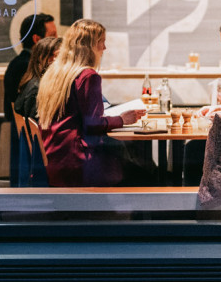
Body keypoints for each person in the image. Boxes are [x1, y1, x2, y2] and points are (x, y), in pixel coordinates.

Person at [36, 19, 144, 187]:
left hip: (56, 158)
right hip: (80, 162)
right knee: (144, 169)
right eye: (102, 42)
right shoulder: (88, 76)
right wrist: (122, 119)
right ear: (90, 46)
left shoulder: (54, 73)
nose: (104, 48)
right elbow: (93, 124)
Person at [3, 12, 56, 126]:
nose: (57, 40)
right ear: (37, 39)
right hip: (28, 130)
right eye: (53, 36)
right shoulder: (27, 66)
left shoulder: (17, 62)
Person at [11, 35, 60, 120]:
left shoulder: (31, 81)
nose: (59, 60)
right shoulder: (37, 89)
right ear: (41, 58)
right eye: (55, 55)